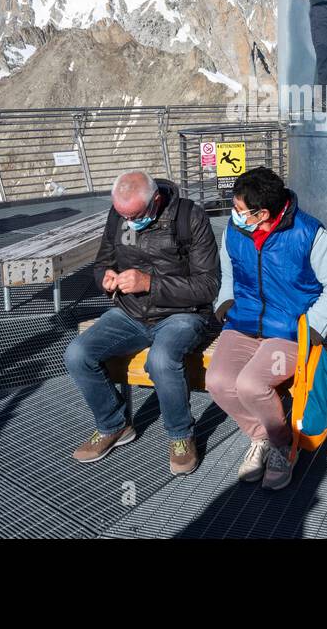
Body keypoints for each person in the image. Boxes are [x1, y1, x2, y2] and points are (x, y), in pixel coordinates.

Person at [65, 172, 221, 475]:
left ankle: (180, 436)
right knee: (77, 354)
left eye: (134, 216)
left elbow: (208, 286)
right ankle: (113, 425)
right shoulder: (119, 214)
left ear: (156, 201)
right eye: (123, 215)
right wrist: (105, 278)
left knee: (161, 360)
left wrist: (150, 282)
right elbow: (102, 263)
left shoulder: (190, 217)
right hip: (131, 312)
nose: (128, 221)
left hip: (183, 313)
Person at [206, 167, 327, 492]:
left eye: (241, 211)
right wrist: (225, 302)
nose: (234, 215)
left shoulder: (309, 233)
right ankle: (262, 437)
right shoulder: (236, 229)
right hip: (243, 321)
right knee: (217, 381)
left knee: (250, 384)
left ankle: (283, 445)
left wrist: (312, 327)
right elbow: (228, 269)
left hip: (287, 330)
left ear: (264, 214)